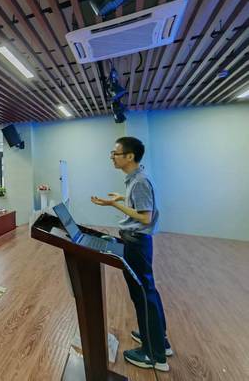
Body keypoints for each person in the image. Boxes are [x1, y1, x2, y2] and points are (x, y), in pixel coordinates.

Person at [91, 136, 171, 372]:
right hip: (136, 242)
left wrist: (114, 205)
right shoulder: (136, 178)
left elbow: (145, 217)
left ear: (130, 156)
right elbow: (139, 206)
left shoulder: (139, 182)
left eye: (115, 153)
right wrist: (121, 198)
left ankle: (154, 355)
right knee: (146, 292)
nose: (112, 157)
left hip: (137, 243)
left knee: (143, 295)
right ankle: (158, 339)